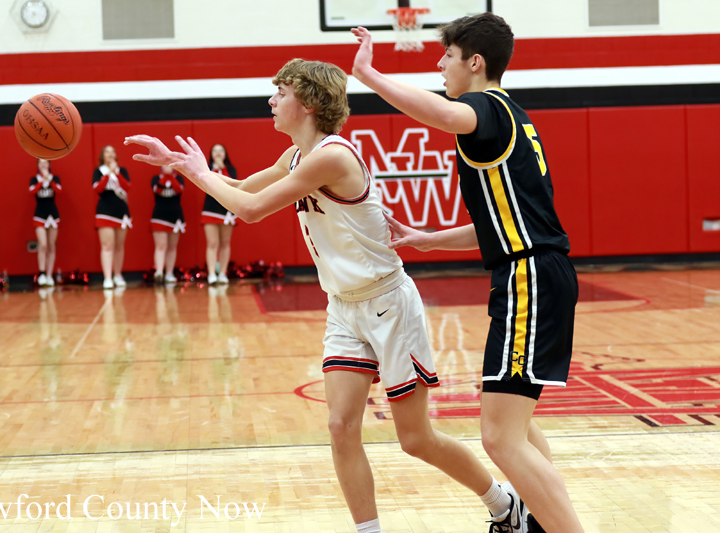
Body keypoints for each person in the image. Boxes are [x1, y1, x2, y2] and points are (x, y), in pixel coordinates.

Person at [125, 58, 525, 533]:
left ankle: (504, 505)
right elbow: (240, 188)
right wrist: (180, 164)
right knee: (340, 427)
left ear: (310, 103)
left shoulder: (333, 156)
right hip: (343, 308)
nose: (271, 100)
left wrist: (198, 171)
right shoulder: (295, 156)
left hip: (387, 303)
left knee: (415, 439)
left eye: (281, 93)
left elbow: (249, 210)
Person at [351, 13, 583, 533]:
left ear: (475, 63)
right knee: (517, 429)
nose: (440, 65)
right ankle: (540, 520)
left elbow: (438, 112)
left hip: (529, 277)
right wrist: (430, 239)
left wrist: (368, 75)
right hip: (534, 271)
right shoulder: (513, 117)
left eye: (448, 56)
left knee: (500, 437)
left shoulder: (486, 108)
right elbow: (500, 221)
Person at [93, 145, 131, 290]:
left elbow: (127, 187)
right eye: (106, 152)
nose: (110, 154)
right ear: (102, 156)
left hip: (121, 211)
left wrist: (116, 172)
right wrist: (109, 173)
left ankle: (118, 275)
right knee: (107, 246)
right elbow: (98, 189)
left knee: (119, 246)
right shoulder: (98, 171)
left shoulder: (122, 171)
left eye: (112, 151)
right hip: (105, 211)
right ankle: (107, 277)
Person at [201, 144, 237, 284]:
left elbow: (232, 185)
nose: (217, 153)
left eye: (220, 150)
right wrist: (215, 169)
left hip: (226, 210)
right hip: (210, 209)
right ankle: (211, 274)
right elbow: (206, 185)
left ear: (225, 153)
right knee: (212, 243)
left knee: (225, 243)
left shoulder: (231, 169)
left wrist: (222, 168)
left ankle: (222, 273)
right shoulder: (206, 169)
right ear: (211, 154)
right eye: (214, 151)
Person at [30, 158, 62, 287]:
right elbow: (32, 191)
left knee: (51, 245)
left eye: (45, 162)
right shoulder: (34, 179)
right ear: (37, 165)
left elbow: (59, 191)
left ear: (49, 164)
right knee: (42, 244)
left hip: (53, 214)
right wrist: (41, 180)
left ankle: (49, 275)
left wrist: (49, 179)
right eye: (40, 162)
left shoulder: (55, 178)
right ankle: (42, 273)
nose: (43, 164)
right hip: (39, 214)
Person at [150, 164, 185, 284]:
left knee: (172, 247)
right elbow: (158, 190)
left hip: (175, 216)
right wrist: (165, 176)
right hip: (159, 216)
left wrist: (170, 176)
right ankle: (159, 272)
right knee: (161, 245)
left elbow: (178, 189)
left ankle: (169, 273)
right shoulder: (155, 179)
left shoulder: (179, 179)